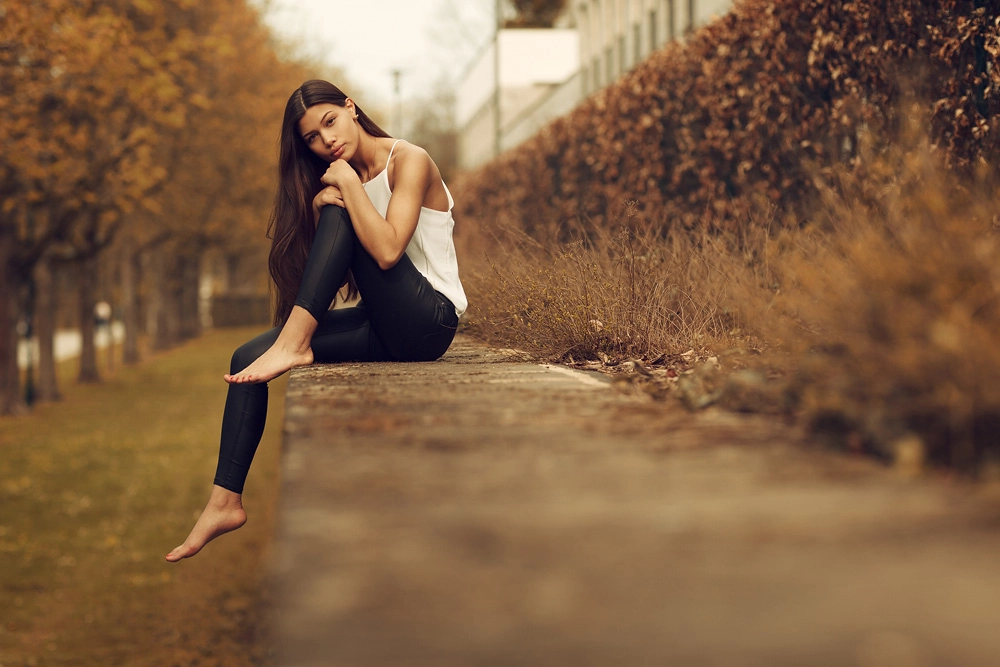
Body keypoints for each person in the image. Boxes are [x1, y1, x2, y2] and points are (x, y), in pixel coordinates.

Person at [166, 80, 466, 562]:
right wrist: (316, 205)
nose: (326, 141)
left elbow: (388, 252)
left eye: (330, 121)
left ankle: (295, 340)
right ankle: (224, 502)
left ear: (351, 108)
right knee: (247, 359)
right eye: (311, 137)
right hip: (385, 322)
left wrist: (346, 186)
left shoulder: (410, 160)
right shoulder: (333, 178)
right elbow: (341, 273)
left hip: (430, 320)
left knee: (346, 214)